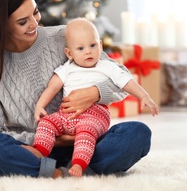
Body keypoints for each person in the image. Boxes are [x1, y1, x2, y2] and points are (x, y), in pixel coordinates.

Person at [0, 0, 157, 179]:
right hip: (34, 150)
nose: (34, 23)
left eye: (35, 12)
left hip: (87, 139)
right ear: (2, 26)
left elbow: (121, 77)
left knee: (138, 133)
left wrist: (95, 93)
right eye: (22, 22)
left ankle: (70, 168)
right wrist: (50, 138)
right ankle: (55, 171)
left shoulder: (62, 37)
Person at [33, 18, 158, 177]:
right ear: (69, 53)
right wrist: (39, 106)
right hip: (66, 115)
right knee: (46, 123)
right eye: (80, 48)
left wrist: (144, 95)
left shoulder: (107, 67)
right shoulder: (66, 69)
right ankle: (40, 152)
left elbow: (126, 81)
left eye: (93, 45)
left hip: (95, 115)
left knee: (87, 132)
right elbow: (52, 88)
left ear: (100, 44)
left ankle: (79, 164)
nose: (88, 51)